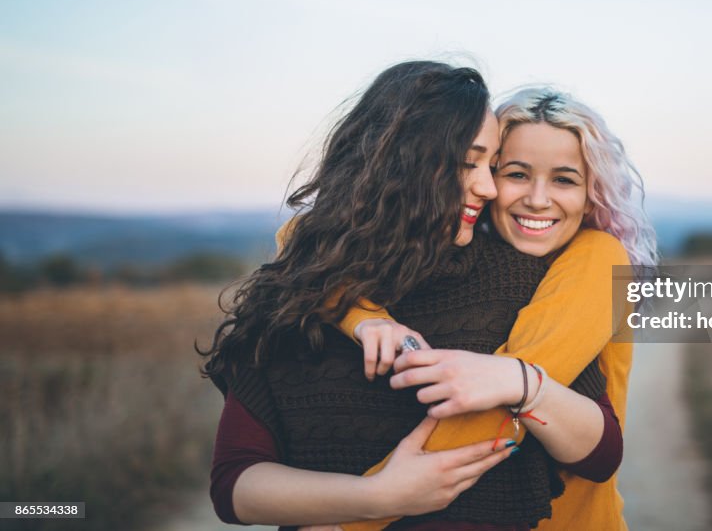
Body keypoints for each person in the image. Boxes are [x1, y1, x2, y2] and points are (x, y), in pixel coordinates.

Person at [201, 63, 620, 530]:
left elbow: (602, 455)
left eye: (491, 166)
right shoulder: (295, 297)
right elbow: (234, 483)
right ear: (399, 165)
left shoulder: (526, 280)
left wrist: (520, 383)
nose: (489, 186)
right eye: (474, 164)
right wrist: (375, 497)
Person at [330, 86, 658, 531]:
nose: (538, 199)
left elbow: (492, 403)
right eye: (517, 174)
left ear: (591, 194)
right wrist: (365, 317)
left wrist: (357, 515)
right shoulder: (461, 252)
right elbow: (303, 238)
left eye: (564, 180)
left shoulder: (599, 256)